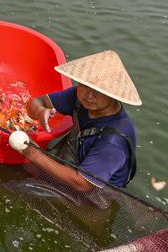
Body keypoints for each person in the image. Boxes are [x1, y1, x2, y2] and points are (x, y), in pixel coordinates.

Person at [20, 50, 140, 192]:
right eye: (85, 85)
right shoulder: (80, 97)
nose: (89, 95)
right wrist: (40, 111)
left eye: (99, 91)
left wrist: (33, 153)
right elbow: (37, 102)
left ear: (114, 95)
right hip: (72, 165)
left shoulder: (113, 142)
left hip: (91, 198)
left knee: (18, 188)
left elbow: (83, 184)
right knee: (15, 168)